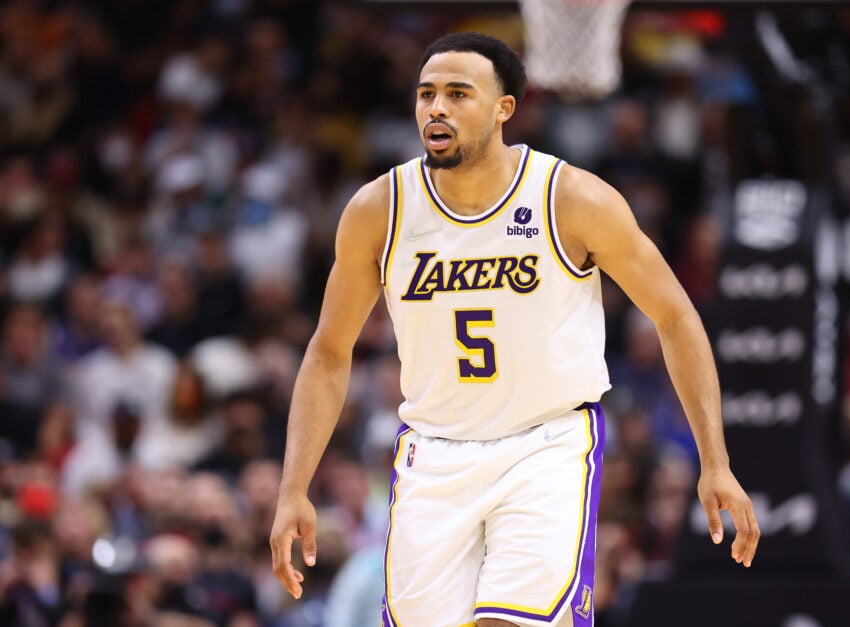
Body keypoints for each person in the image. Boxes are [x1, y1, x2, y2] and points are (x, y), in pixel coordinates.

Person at [270, 32, 759, 627]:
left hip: (544, 446)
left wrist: (715, 459)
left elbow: (675, 315)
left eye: (457, 94)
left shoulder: (570, 198)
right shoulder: (379, 209)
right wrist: (294, 485)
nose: (437, 108)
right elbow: (328, 351)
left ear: (504, 108)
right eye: (426, 94)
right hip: (435, 453)